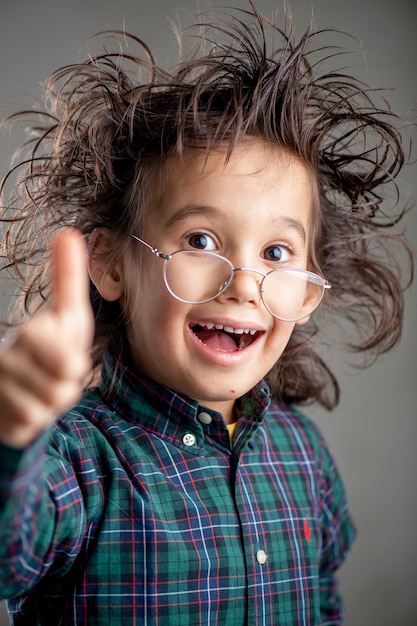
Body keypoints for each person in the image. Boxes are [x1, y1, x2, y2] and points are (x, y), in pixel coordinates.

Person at [0, 3, 412, 624]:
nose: (244, 283)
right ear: (110, 265)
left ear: (305, 294)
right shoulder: (72, 461)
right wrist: (11, 435)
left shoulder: (303, 456)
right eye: (200, 241)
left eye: (276, 252)